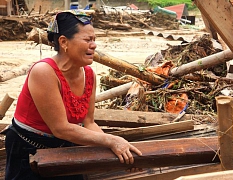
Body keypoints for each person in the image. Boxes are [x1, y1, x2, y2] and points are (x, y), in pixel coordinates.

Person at [4, 10, 142, 180]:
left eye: (94, 40)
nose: (94, 45)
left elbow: (89, 123)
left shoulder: (89, 74)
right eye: (87, 40)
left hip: (66, 147)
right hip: (28, 150)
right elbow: (60, 128)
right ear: (64, 42)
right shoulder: (44, 72)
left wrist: (119, 151)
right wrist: (112, 141)